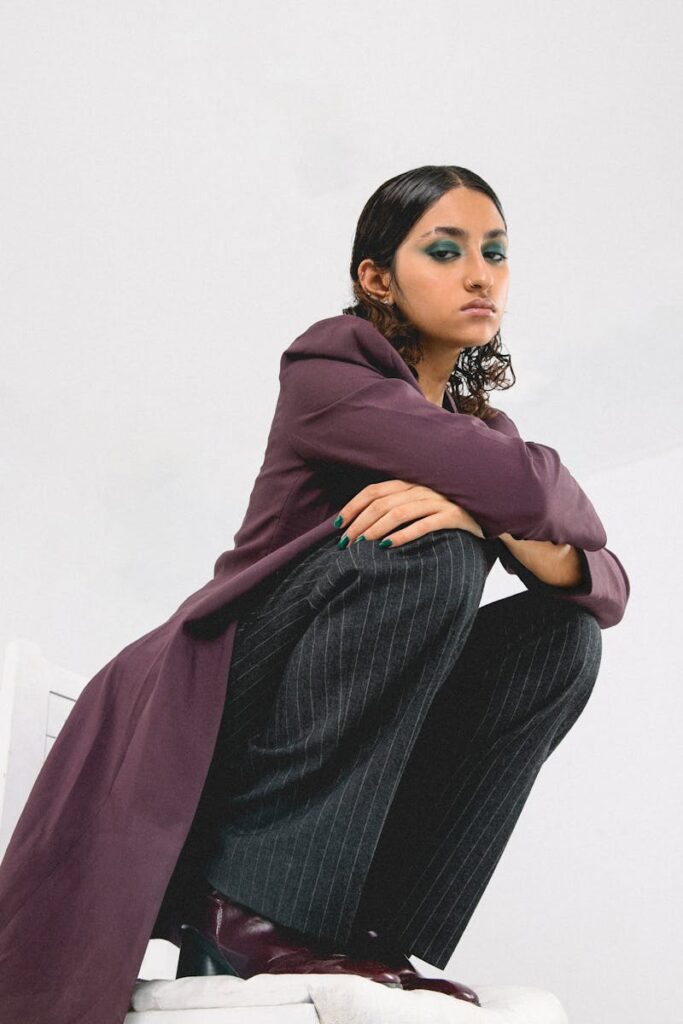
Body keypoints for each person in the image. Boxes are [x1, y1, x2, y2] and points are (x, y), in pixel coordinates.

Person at [0, 165, 630, 1023]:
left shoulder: (482, 436)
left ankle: (366, 931)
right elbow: (537, 494)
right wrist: (490, 512)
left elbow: (602, 579)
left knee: (558, 641)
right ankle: (247, 907)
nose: (480, 274)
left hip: (330, 699)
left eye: (495, 252)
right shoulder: (330, 367)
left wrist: (485, 511)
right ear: (377, 277)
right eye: (444, 251)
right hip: (221, 689)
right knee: (429, 553)